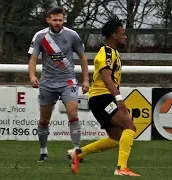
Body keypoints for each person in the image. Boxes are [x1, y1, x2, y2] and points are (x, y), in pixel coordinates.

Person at [68, 15, 140, 177]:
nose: (125, 37)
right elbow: (106, 77)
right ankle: (121, 168)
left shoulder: (112, 52)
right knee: (130, 127)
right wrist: (119, 99)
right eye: (123, 34)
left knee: (116, 138)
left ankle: (78, 154)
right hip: (103, 99)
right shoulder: (107, 53)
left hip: (100, 99)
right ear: (114, 35)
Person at [28, 7, 90, 162]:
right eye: (54, 20)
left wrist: (86, 79)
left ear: (64, 20)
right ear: (48, 20)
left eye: (60, 20)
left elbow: (82, 57)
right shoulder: (40, 36)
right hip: (47, 83)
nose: (57, 23)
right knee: (44, 119)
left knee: (73, 114)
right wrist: (32, 76)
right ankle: (43, 151)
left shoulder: (72, 35)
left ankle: (77, 151)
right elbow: (33, 59)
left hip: (68, 81)